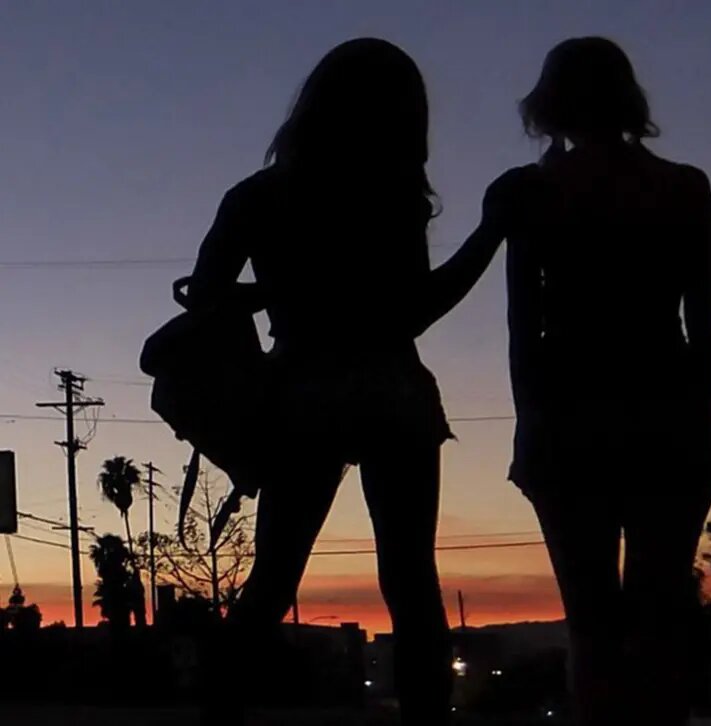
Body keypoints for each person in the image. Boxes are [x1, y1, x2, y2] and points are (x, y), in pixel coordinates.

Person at [187, 38, 515, 725]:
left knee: (273, 576)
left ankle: (219, 709)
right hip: (393, 390)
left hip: (302, 393)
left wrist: (273, 295)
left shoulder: (257, 196)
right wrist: (488, 235)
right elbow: (415, 310)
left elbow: (206, 299)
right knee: (411, 579)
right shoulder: (392, 196)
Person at [501, 37, 711, 725]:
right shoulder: (683, 186)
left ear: (550, 106)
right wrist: (696, 413)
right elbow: (704, 324)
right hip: (667, 405)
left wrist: (531, 424)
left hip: (567, 413)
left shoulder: (537, 193)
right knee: (660, 611)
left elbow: (523, 328)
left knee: (591, 619)